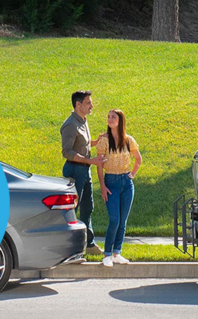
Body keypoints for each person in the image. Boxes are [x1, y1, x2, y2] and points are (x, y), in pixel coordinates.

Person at [61, 90, 106, 255]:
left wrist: (98, 141)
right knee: (73, 209)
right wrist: (90, 161)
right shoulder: (70, 125)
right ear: (78, 105)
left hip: (84, 170)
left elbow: (83, 145)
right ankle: (71, 248)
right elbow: (67, 152)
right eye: (88, 103)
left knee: (88, 208)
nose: (91, 106)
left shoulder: (83, 121)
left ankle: (89, 244)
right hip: (75, 170)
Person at [95, 109, 142, 267]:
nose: (109, 119)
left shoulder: (128, 140)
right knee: (114, 219)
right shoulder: (104, 140)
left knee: (123, 221)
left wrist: (132, 174)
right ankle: (107, 254)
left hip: (126, 183)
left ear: (120, 120)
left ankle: (117, 253)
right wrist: (102, 185)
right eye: (108, 117)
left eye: (113, 117)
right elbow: (99, 165)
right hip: (110, 181)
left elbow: (138, 159)